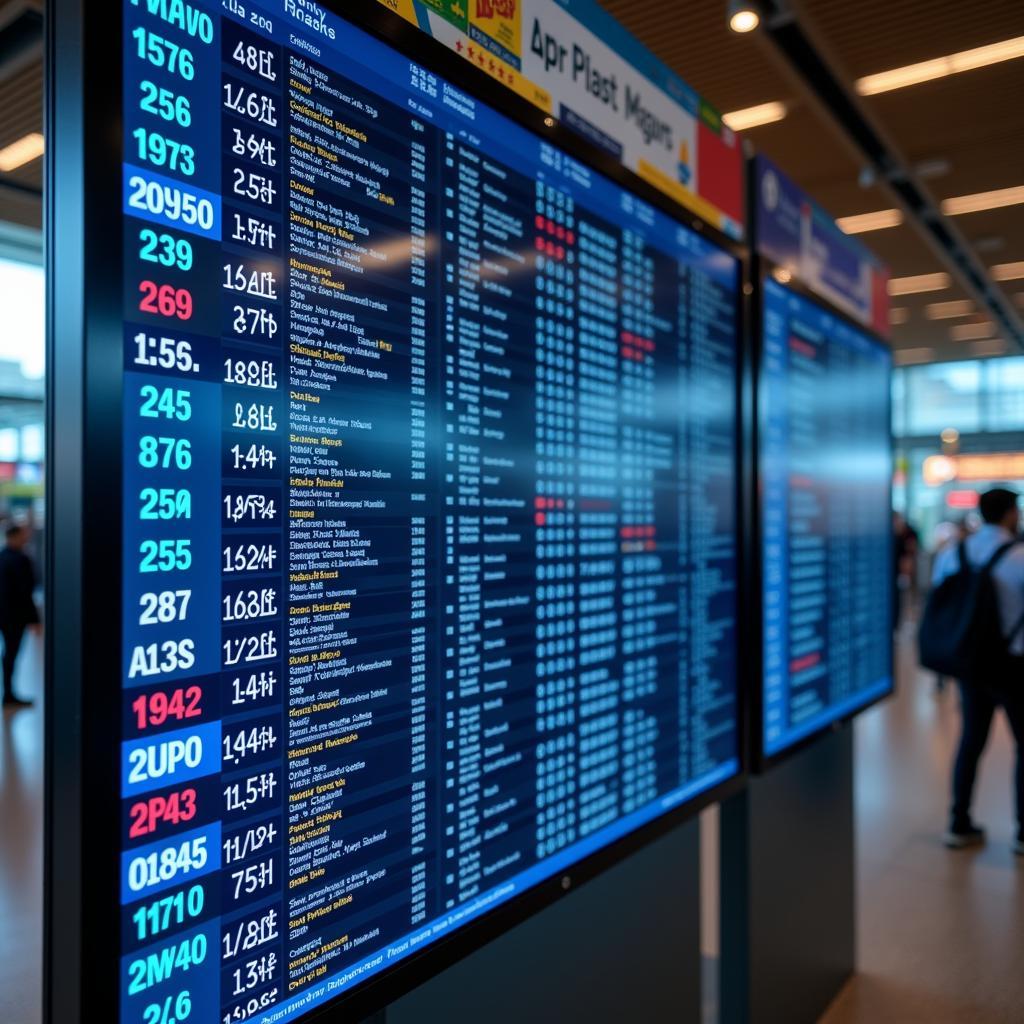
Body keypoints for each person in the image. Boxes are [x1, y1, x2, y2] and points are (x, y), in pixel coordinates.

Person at [931, 488, 1024, 852]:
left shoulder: (953, 552)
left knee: (970, 741)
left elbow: (941, 598)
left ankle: (958, 821)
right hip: (1015, 664)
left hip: (971, 662)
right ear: (1010, 513)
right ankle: (1022, 833)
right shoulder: (1018, 556)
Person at [0, 523, 40, 709]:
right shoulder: (21, 560)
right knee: (11, 653)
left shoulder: (3, 557)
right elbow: (25, 593)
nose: (25, 538)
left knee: (9, 653)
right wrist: (35, 620)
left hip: (4, 614)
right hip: (15, 617)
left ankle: (8, 692)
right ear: (14, 536)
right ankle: (9, 693)